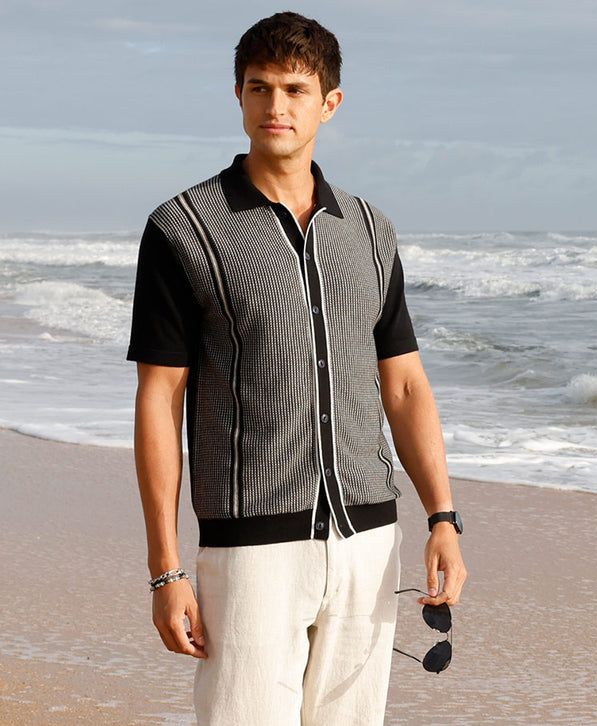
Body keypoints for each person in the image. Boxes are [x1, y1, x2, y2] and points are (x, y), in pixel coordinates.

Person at [127, 11, 467, 724]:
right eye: (258, 88)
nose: (275, 106)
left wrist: (443, 517)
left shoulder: (372, 230)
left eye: (294, 88)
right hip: (252, 548)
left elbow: (403, 383)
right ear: (238, 95)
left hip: (369, 541)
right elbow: (159, 400)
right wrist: (166, 569)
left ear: (329, 102)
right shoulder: (183, 228)